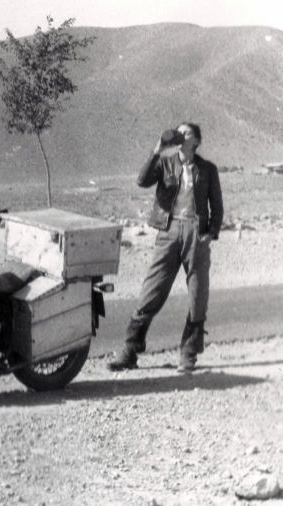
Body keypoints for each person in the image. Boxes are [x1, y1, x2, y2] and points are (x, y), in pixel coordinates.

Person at [108, 122, 223, 373]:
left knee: (197, 294)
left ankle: (189, 353)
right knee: (153, 289)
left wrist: (210, 234)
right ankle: (129, 350)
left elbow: (217, 205)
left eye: (187, 133)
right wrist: (157, 149)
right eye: (179, 131)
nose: (181, 135)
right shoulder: (166, 163)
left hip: (196, 233)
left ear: (196, 141)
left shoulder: (208, 169)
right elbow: (142, 180)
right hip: (168, 232)